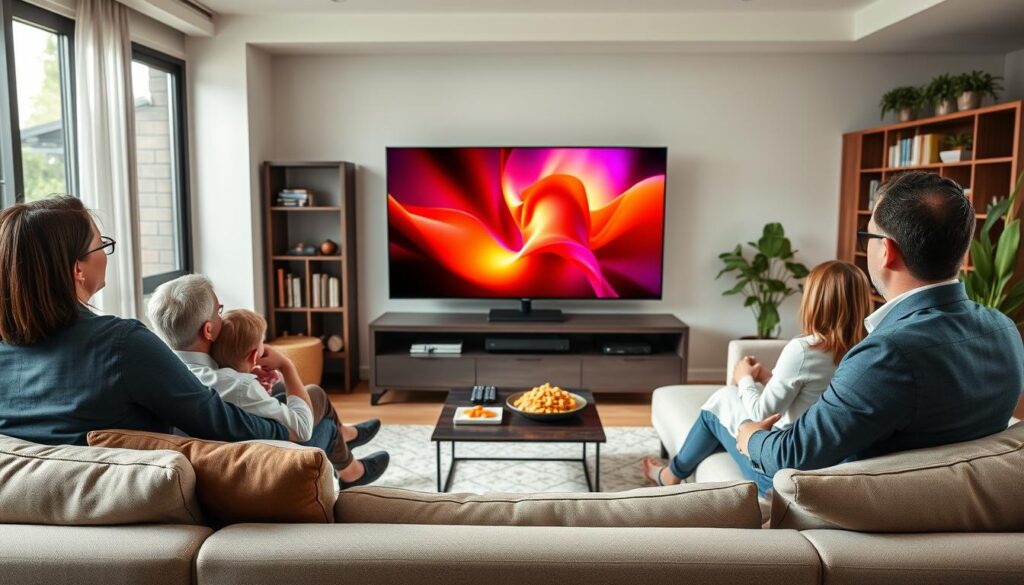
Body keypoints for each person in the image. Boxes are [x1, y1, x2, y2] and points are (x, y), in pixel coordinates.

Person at [733, 171, 1024, 494]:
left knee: (723, 417)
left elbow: (792, 455)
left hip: (857, 510)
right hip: (955, 505)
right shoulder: (1005, 331)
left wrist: (750, 436)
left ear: (886, 250)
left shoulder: (888, 354)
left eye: (866, 236)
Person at [0, 196, 287, 445]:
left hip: (42, 503)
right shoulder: (123, 345)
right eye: (101, 245)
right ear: (78, 269)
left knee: (279, 394)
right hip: (149, 499)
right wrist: (284, 431)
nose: (105, 255)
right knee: (312, 413)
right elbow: (218, 423)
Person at [642, 260, 873, 489]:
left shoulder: (805, 349)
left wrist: (744, 377)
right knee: (728, 404)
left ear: (815, 301)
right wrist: (765, 378)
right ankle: (675, 471)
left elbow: (762, 412)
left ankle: (672, 475)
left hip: (777, 470)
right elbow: (810, 399)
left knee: (720, 403)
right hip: (825, 460)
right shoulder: (869, 350)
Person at [147, 276, 388, 489]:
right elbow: (301, 428)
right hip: (260, 471)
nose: (223, 315)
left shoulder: (166, 376)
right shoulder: (231, 383)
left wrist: (246, 376)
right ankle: (350, 467)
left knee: (293, 393)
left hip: (228, 458)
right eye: (219, 311)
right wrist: (286, 365)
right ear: (208, 331)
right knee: (324, 421)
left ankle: (348, 445)